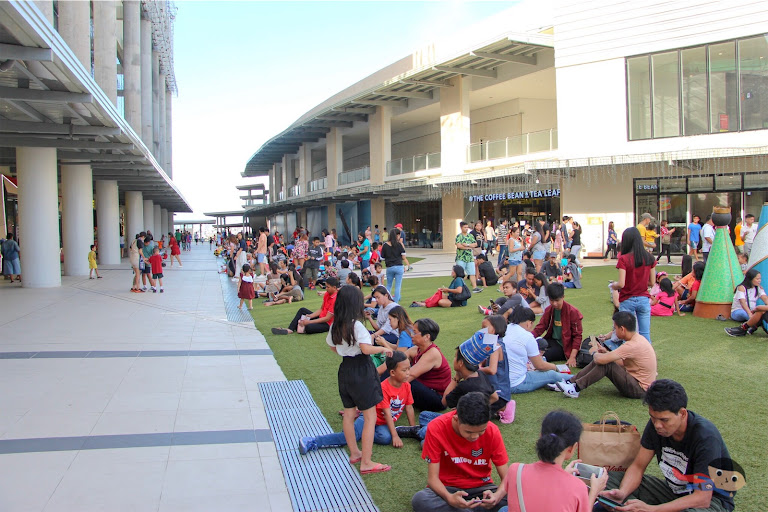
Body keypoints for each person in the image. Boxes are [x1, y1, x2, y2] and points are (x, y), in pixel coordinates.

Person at [596, 379, 737, 512]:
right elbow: (638, 466)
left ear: (682, 413)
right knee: (607, 479)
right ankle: (625, 505)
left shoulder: (705, 437)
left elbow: (703, 498)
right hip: (674, 491)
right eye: (653, 417)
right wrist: (622, 492)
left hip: (712, 499)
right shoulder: (655, 425)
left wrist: (652, 510)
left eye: (664, 420)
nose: (657, 425)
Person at [317, 285, 392, 474]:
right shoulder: (356, 325)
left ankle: (355, 453)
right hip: (362, 369)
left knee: (350, 414)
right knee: (370, 416)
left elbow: (333, 347)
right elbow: (366, 349)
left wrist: (347, 350)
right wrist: (384, 349)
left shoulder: (335, 325)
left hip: (345, 369)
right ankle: (366, 462)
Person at [483, 410, 608, 511]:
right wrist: (594, 492)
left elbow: (542, 488)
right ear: (572, 448)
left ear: (541, 437)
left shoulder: (516, 471)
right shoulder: (578, 487)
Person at [300, 351, 414, 456]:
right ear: (392, 372)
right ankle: (313, 440)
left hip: (381, 423)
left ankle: (363, 433)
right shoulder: (383, 387)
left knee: (385, 438)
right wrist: (395, 436)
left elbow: (409, 408)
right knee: (351, 437)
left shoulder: (407, 386)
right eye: (404, 370)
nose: (408, 373)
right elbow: (387, 413)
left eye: (409, 369)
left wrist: (413, 429)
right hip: (368, 417)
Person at [411, 392, 509, 512]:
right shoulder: (436, 428)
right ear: (456, 419)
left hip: (482, 488)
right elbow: (432, 479)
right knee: (421, 499)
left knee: (518, 493)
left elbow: (507, 478)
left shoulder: (492, 431)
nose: (474, 437)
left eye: (481, 431)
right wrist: (449, 498)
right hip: (448, 488)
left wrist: (496, 497)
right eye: (468, 432)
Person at [557, 311, 657, 399]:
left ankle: (575, 388)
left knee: (606, 364)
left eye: (615, 328)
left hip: (639, 390)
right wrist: (605, 353)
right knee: (605, 360)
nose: (614, 331)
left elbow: (600, 360)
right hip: (639, 384)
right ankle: (571, 382)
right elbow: (622, 362)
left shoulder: (631, 345)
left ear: (622, 329)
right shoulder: (637, 339)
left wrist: (595, 351)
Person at [506, 307, 568, 394]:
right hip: (516, 383)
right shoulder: (527, 336)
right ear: (529, 323)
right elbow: (540, 366)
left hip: (500, 382)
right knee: (551, 374)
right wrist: (555, 367)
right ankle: (575, 379)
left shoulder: (505, 329)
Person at [611, 227, 656, 342]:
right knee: (645, 333)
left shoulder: (623, 259)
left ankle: (629, 358)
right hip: (643, 299)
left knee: (628, 335)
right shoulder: (649, 257)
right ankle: (647, 357)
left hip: (627, 299)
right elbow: (652, 282)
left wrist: (613, 286)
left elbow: (621, 283)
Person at [404, 318, 451, 411]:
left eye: (415, 332)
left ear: (426, 337)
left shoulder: (432, 353)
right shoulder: (416, 349)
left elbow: (410, 375)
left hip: (438, 399)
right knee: (396, 369)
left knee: (406, 380)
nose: (411, 335)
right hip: (425, 389)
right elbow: (396, 361)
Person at [532, 282, 584, 366]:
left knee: (541, 355)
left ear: (563, 297)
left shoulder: (573, 312)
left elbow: (577, 335)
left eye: (557, 300)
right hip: (552, 341)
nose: (554, 304)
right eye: (551, 300)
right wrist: (527, 338)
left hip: (565, 346)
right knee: (533, 346)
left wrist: (572, 357)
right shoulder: (549, 309)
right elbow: (540, 327)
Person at [271, 277, 339, 335]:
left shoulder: (336, 299)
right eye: (326, 286)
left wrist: (309, 321)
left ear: (334, 288)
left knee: (309, 327)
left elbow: (327, 318)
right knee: (302, 310)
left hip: (327, 323)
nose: (326, 288)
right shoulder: (327, 294)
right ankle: (290, 329)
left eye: (328, 287)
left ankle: (301, 326)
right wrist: (311, 316)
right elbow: (321, 309)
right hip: (321, 317)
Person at [726, 269, 768, 336]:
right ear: (750, 279)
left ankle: (745, 328)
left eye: (760, 279)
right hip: (738, 311)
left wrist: (757, 309)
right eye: (757, 279)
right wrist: (750, 313)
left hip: (751, 311)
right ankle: (750, 327)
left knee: (759, 312)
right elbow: (743, 302)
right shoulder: (741, 287)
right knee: (746, 313)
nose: (759, 281)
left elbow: (765, 299)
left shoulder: (758, 288)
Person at [381, 227, 408, 303]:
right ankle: (395, 302)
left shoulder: (385, 245)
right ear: (397, 236)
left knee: (389, 285)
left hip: (389, 267)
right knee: (398, 286)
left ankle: (386, 301)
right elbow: (403, 256)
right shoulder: (399, 245)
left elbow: (382, 257)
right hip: (399, 266)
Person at [455, 221, 480, 292]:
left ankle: (475, 287)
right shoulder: (459, 236)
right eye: (465, 227)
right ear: (461, 228)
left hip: (469, 257)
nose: (466, 229)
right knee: (460, 274)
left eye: (467, 227)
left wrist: (467, 245)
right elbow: (459, 246)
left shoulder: (470, 236)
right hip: (461, 257)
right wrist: (468, 247)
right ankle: (460, 288)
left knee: (472, 273)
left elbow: (475, 244)